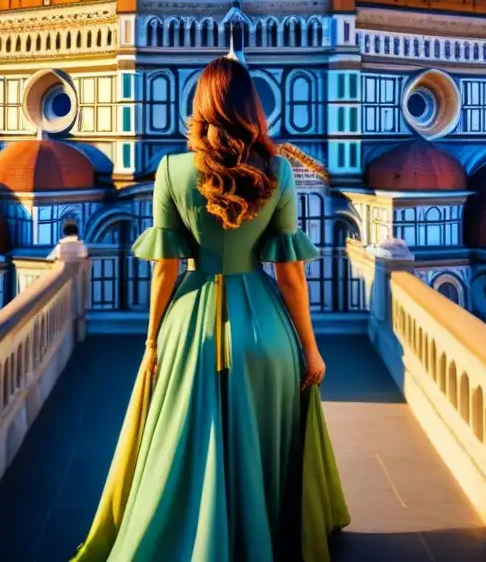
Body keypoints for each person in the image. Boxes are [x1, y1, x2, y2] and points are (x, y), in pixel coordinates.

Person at [73, 57, 348, 561]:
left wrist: (153, 342)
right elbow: (290, 273)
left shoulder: (173, 171)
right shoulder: (279, 171)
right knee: (264, 445)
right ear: (252, 108)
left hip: (190, 331)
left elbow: (165, 270)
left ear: (199, 108)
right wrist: (310, 349)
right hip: (264, 328)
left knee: (186, 442)